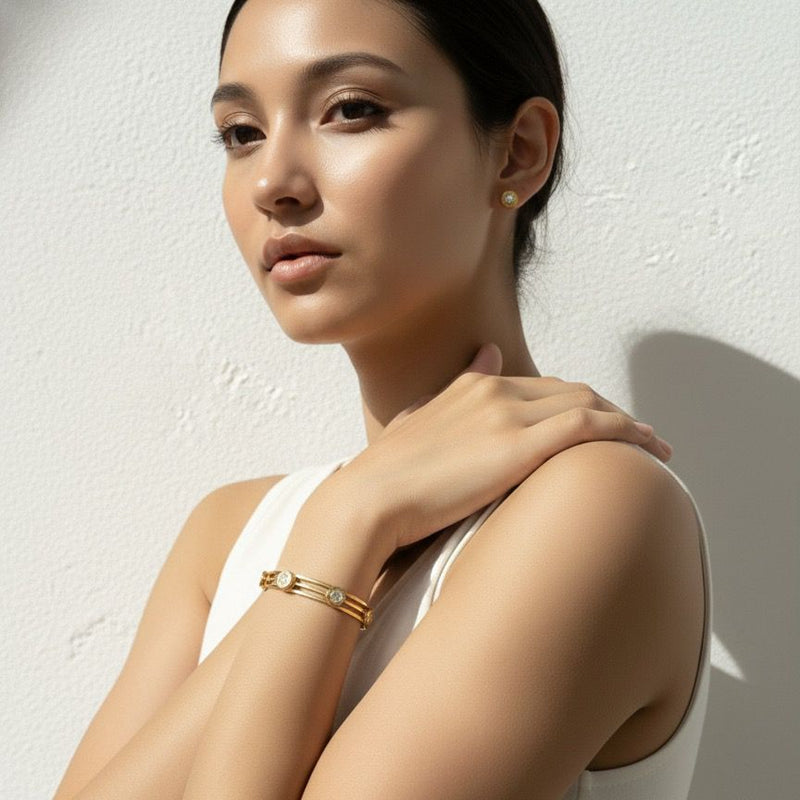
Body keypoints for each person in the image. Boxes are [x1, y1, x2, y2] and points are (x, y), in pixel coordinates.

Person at [53, 1, 711, 798]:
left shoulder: (600, 504)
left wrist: (352, 520)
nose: (273, 183)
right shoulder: (225, 534)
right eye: (241, 133)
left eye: (351, 110)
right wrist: (353, 517)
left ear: (520, 152)